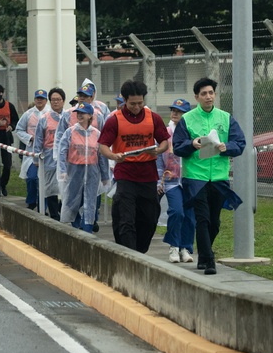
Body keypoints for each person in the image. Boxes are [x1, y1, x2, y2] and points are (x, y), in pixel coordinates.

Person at [172, 77, 246, 275]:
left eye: (211, 93)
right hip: (196, 177)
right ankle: (210, 259)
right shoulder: (187, 119)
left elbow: (240, 143)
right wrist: (192, 143)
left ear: (215, 95)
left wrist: (226, 147)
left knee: (215, 222)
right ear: (196, 97)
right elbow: (177, 147)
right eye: (203, 93)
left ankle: (203, 255)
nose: (208, 96)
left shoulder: (225, 118)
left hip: (219, 177)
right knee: (202, 219)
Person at [98, 79, 171, 254]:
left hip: (148, 175)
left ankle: (140, 252)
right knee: (125, 217)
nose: (137, 107)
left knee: (149, 218)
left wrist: (158, 151)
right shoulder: (114, 119)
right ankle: (129, 254)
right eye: (132, 104)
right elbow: (103, 146)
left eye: (140, 103)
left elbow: (164, 142)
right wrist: (114, 156)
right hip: (125, 173)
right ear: (124, 100)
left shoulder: (153, 118)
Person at [56, 83, 108, 231]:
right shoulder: (70, 132)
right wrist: (63, 170)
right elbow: (62, 151)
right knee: (73, 201)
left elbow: (102, 156)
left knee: (90, 202)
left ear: (90, 115)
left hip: (92, 172)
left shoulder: (96, 133)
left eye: (82, 113)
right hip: (74, 171)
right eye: (78, 113)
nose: (79, 115)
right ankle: (76, 226)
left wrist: (105, 176)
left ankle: (87, 230)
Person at [157, 98, 196, 263]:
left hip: (190, 180)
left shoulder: (192, 132)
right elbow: (159, 158)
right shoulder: (165, 134)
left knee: (190, 216)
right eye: (173, 110)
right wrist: (159, 180)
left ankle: (185, 247)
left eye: (179, 111)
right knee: (176, 212)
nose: (174, 113)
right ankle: (173, 246)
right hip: (171, 181)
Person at [32, 88, 66, 220]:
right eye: (53, 100)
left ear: (63, 101)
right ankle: (54, 214)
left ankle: (64, 211)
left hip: (65, 157)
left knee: (65, 186)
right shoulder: (44, 118)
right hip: (49, 157)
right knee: (50, 187)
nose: (55, 102)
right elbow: (39, 139)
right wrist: (36, 157)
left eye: (58, 100)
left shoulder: (69, 116)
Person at [15, 89, 48, 211]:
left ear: (46, 100)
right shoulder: (28, 114)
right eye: (37, 98)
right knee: (32, 177)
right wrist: (30, 138)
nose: (39, 101)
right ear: (34, 100)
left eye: (42, 98)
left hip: (47, 152)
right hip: (32, 152)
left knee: (45, 181)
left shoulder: (50, 114)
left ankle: (43, 207)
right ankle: (31, 201)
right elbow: (19, 129)